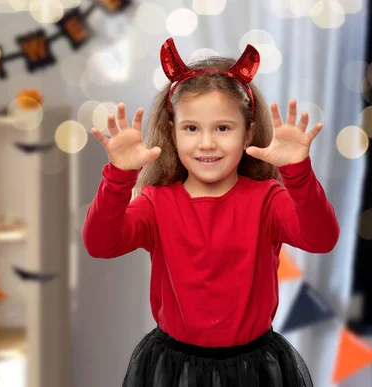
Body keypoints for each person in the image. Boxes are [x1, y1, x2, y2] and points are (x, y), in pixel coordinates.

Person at [82, 37, 340, 387]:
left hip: (255, 371)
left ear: (248, 131)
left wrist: (299, 172)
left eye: (223, 127)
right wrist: (118, 178)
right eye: (191, 128)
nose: (207, 142)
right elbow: (100, 243)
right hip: (175, 372)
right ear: (172, 133)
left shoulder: (268, 199)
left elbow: (322, 238)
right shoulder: (157, 203)